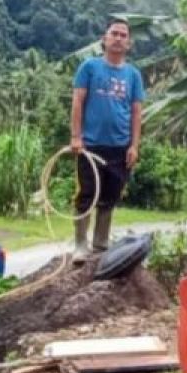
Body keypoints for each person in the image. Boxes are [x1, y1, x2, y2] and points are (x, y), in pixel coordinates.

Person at [70, 19, 145, 263]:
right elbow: (78, 101)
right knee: (87, 193)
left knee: (110, 196)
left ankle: (100, 245)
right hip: (90, 145)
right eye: (114, 33)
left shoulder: (133, 75)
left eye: (124, 35)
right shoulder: (89, 67)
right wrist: (76, 136)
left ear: (129, 43)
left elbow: (136, 112)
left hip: (120, 147)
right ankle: (80, 245)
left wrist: (134, 145)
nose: (118, 38)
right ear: (104, 39)